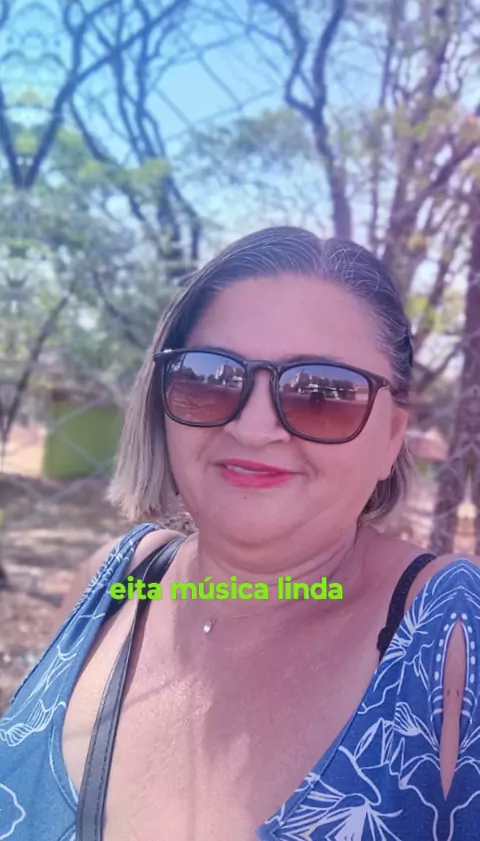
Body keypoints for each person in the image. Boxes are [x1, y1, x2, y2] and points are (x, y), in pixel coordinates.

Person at [0, 226, 476, 841]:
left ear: (392, 435)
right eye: (209, 377)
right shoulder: (114, 586)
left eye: (323, 392)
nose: (252, 429)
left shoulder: (455, 639)